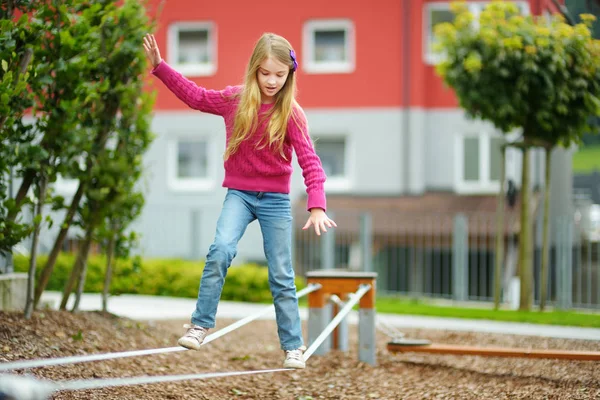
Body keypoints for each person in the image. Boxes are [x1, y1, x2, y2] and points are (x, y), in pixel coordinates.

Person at [142, 32, 336, 369]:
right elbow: (196, 96)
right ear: (254, 70)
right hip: (240, 195)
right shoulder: (236, 99)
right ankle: (200, 325)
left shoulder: (291, 113)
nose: (272, 81)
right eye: (265, 73)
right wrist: (160, 67)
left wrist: (317, 204)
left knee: (281, 274)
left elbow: (310, 161)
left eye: (280, 74)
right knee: (221, 249)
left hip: (275, 199)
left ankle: (293, 346)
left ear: (289, 74)